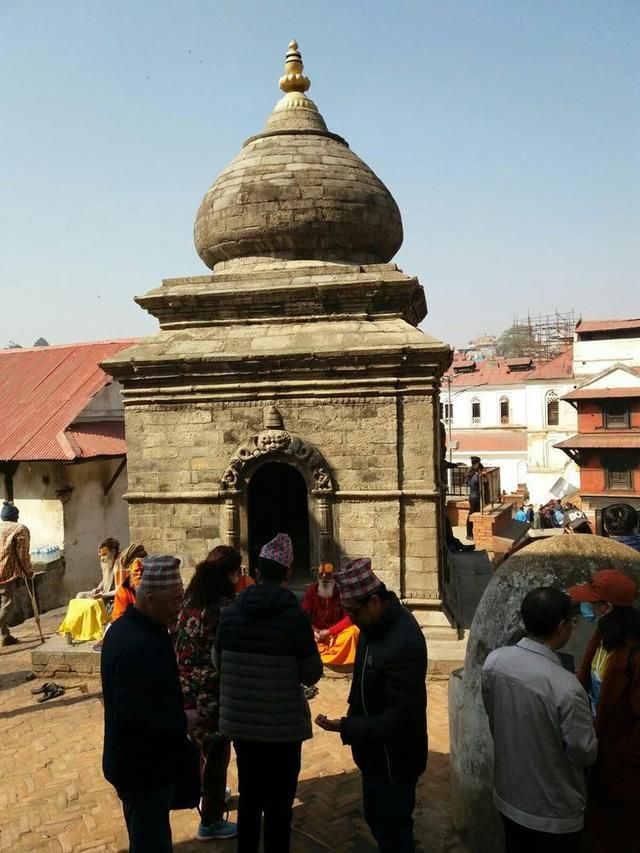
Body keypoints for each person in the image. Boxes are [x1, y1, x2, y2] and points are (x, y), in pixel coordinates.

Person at [214, 532, 322, 853]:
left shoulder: (230, 614)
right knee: (278, 805)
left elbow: (217, 661)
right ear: (288, 573)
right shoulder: (294, 617)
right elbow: (312, 671)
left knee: (249, 797)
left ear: (257, 572)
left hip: (242, 727)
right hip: (282, 728)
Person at [315, 557, 428, 853]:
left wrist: (348, 726)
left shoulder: (403, 642)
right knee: (377, 819)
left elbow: (401, 718)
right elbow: (363, 675)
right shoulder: (372, 627)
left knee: (393, 831)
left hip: (394, 760)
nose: (350, 619)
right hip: (373, 753)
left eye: (352, 611)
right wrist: (354, 705)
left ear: (374, 602)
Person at [481, 587, 597, 853]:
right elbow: (583, 752)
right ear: (561, 627)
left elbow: (493, 714)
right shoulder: (566, 687)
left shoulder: (495, 662)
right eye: (572, 622)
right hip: (553, 813)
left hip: (508, 796)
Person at [101, 554, 190, 853]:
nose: (179, 610)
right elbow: (134, 718)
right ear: (149, 599)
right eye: (174, 601)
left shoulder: (133, 630)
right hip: (141, 767)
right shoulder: (138, 644)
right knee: (151, 842)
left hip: (141, 762)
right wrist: (184, 721)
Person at [568, 570, 640, 852]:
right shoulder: (602, 636)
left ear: (607, 608)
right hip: (599, 750)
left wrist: (622, 755)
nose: (587, 608)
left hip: (622, 762)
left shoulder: (634, 653)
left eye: (592, 603)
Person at [176, 546, 240, 842]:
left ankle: (208, 794)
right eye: (235, 572)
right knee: (217, 754)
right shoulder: (222, 610)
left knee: (203, 750)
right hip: (213, 693)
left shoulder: (189, 602)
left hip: (187, 692)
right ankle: (210, 821)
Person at [302, 562, 359, 665]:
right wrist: (313, 632)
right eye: (322, 575)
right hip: (317, 637)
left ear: (334, 577)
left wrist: (330, 631)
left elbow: (350, 618)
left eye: (328, 575)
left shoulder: (341, 591)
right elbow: (303, 618)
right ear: (318, 577)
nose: (324, 578)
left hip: (337, 635)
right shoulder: (311, 591)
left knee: (353, 632)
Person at [0, 501, 33, 647]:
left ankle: (4, 636)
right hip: (6, 572)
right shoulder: (19, 529)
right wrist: (28, 571)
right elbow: (23, 554)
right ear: (15, 516)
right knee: (6, 603)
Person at [111, 546, 148, 623]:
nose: (140, 573)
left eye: (142, 570)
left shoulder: (154, 585)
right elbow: (118, 619)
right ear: (129, 571)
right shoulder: (123, 592)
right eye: (136, 571)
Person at [76, 538, 120, 602]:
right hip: (103, 593)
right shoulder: (109, 563)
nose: (102, 559)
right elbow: (105, 580)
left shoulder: (118, 565)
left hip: (110, 598)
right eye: (100, 556)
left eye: (104, 554)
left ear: (113, 552)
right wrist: (99, 588)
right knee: (80, 595)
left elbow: (120, 590)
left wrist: (103, 595)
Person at [466, 456, 484, 540]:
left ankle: (471, 533)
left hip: (473, 497)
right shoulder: (476, 476)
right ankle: (469, 534)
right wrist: (484, 477)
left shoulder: (471, 471)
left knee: (473, 515)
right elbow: (482, 483)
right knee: (471, 516)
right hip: (475, 498)